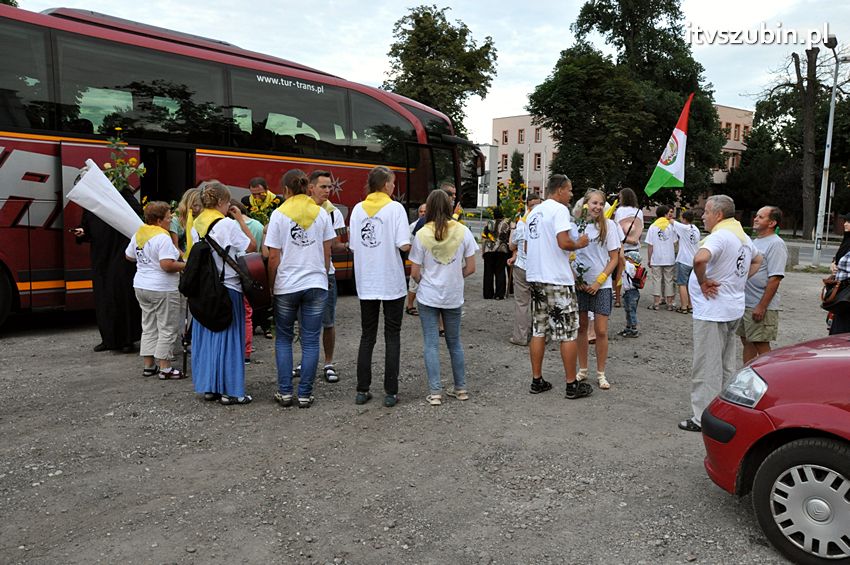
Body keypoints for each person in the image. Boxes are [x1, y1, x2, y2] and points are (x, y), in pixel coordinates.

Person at [679, 195, 761, 432]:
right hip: (732, 307)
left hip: (713, 311)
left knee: (706, 365)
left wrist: (703, 281)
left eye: (706, 211)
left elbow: (699, 259)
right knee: (725, 364)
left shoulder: (720, 236)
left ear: (718, 214)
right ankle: (726, 410)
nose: (703, 215)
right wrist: (738, 280)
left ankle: (702, 418)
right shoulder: (742, 236)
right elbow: (758, 259)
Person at [265, 169, 334, 408]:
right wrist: (323, 275)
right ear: (307, 188)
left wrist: (272, 284)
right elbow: (327, 252)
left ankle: (285, 392)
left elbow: (273, 256)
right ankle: (305, 393)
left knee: (283, 338)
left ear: (285, 190)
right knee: (311, 340)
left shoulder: (278, 215)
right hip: (315, 282)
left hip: (287, 284)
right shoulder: (321, 213)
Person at [525, 174, 592, 399]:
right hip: (556, 279)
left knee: (539, 329)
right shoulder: (559, 209)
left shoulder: (534, 211)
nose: (572, 194)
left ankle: (537, 379)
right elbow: (563, 242)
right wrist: (579, 244)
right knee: (568, 333)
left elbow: (528, 243)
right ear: (560, 189)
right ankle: (572, 384)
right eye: (570, 190)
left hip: (536, 277)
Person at [190, 182, 257, 405]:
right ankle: (232, 391)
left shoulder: (196, 224)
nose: (229, 206)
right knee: (230, 339)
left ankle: (210, 386)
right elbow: (251, 246)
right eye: (228, 202)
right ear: (221, 202)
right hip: (228, 288)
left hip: (204, 290)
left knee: (208, 338)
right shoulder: (227, 225)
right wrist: (239, 219)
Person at [349, 166, 411, 407]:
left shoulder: (356, 210)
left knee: (367, 335)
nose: (394, 187)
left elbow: (354, 245)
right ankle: (390, 391)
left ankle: (362, 389)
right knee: (392, 335)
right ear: (385, 185)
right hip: (391, 280)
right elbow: (404, 245)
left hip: (367, 281)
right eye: (393, 183)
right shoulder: (395, 209)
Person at [410, 190, 478, 405]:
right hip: (453, 294)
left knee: (430, 344)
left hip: (429, 295)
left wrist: (427, 282)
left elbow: (414, 272)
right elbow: (472, 267)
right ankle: (461, 389)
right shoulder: (463, 231)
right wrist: (456, 277)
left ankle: (436, 392)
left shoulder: (422, 234)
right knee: (454, 342)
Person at [74, 185, 143, 353]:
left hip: (121, 256)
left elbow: (137, 217)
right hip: (101, 258)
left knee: (123, 297)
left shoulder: (123, 197)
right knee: (104, 298)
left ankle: (127, 340)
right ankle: (108, 339)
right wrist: (82, 232)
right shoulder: (91, 204)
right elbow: (87, 227)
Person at [124, 201, 186, 379]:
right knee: (167, 326)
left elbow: (128, 256)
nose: (170, 220)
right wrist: (185, 265)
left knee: (149, 325)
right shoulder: (162, 237)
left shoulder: (139, 234)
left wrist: (145, 261)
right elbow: (166, 265)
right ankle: (165, 367)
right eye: (168, 217)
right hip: (162, 287)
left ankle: (149, 365)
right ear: (159, 220)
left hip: (142, 285)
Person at [573, 190, 621, 390]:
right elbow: (570, 254)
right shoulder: (576, 226)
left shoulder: (608, 226)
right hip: (581, 284)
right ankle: (582, 369)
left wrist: (598, 282)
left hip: (601, 285)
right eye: (594, 203)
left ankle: (601, 373)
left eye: (601, 204)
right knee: (582, 328)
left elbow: (614, 258)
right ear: (585, 204)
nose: (597, 207)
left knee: (601, 330)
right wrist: (577, 279)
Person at [307, 170, 348, 382]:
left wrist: (348, 245)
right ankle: (305, 361)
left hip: (327, 274)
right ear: (310, 188)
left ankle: (328, 362)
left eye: (330, 186)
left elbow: (338, 245)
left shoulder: (335, 213)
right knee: (305, 322)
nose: (328, 190)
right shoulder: (300, 210)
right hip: (305, 273)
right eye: (323, 186)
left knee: (328, 322)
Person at [738, 206, 787, 363]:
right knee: (747, 341)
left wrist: (762, 306)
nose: (755, 219)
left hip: (760, 304)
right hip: (747, 302)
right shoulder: (756, 241)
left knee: (761, 345)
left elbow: (775, 278)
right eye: (756, 216)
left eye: (760, 217)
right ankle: (747, 377)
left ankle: (774, 380)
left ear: (772, 222)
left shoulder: (776, 244)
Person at [231, 199, 265, 365]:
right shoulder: (257, 225)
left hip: (229, 277)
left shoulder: (222, 226)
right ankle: (246, 352)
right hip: (248, 272)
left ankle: (232, 349)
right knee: (246, 315)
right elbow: (255, 247)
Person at [508, 192, 541, 346]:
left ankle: (520, 336)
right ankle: (540, 336)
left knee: (522, 304)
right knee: (540, 303)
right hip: (540, 268)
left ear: (527, 205)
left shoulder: (522, 222)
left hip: (522, 266)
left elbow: (512, 245)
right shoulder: (545, 221)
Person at [613, 188, 644, 307]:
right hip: (634, 246)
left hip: (622, 246)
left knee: (619, 273)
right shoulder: (639, 211)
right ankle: (631, 297)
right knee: (632, 273)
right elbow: (640, 229)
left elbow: (617, 227)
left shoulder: (620, 211)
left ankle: (617, 299)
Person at [645, 205, 678, 311]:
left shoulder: (653, 226)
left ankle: (656, 303)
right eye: (668, 212)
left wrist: (649, 259)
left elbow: (650, 245)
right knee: (669, 280)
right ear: (665, 214)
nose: (670, 214)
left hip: (656, 258)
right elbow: (675, 242)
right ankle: (669, 303)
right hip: (669, 258)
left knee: (656, 280)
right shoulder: (671, 226)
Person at [672, 210, 700, 313]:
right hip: (693, 260)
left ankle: (683, 306)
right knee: (690, 284)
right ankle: (690, 305)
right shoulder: (695, 229)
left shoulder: (683, 227)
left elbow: (670, 221)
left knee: (682, 284)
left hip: (683, 260)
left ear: (684, 219)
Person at [481, 207, 511, 299]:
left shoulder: (489, 223)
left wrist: (483, 251)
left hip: (489, 250)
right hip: (502, 250)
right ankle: (499, 294)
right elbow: (509, 238)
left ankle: (488, 294)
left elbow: (484, 237)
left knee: (488, 272)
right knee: (500, 271)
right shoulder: (506, 224)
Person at [405, 203, 427, 316]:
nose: (423, 213)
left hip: (427, 260)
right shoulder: (413, 226)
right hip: (417, 259)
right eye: (421, 211)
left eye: (425, 211)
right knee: (413, 283)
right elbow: (408, 242)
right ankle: (409, 305)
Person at [829, 213, 850, 335]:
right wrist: (833, 263)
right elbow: (839, 257)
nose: (845, 224)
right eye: (845, 221)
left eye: (849, 222)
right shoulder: (847, 241)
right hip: (842, 295)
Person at [618, 251, 643, 337]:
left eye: (628, 258)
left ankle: (634, 329)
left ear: (632, 260)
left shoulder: (631, 267)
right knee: (628, 310)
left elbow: (622, 258)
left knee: (631, 311)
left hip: (631, 293)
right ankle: (628, 327)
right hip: (630, 292)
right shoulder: (631, 267)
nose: (627, 260)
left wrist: (620, 248)